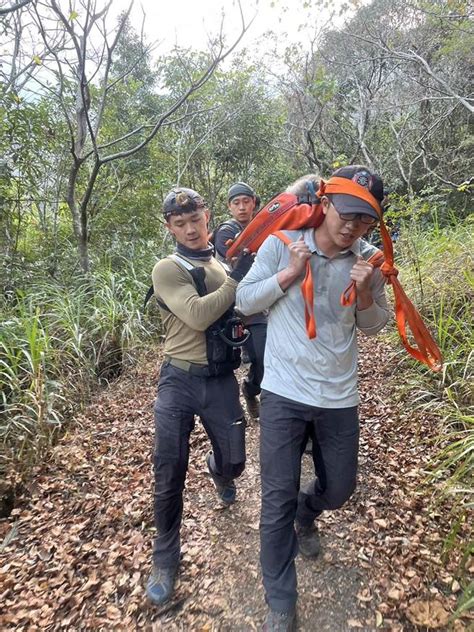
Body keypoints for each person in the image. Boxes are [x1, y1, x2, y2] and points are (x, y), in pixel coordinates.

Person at [236, 166, 391, 631]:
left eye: (364, 220)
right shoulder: (282, 243)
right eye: (346, 214)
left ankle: (310, 513)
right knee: (275, 500)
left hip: (339, 395)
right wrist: (289, 274)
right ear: (325, 204)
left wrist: (365, 293)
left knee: (339, 489)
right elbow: (244, 301)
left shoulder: (370, 261)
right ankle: (281, 602)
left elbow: (375, 324)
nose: (351, 227)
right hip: (284, 393)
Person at [146, 187, 253, 607]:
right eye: (180, 223)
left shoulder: (222, 260)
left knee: (236, 462)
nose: (190, 229)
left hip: (221, 379)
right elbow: (195, 314)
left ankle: (218, 469)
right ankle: (165, 558)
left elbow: (239, 305)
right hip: (178, 379)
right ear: (170, 226)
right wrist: (237, 279)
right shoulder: (167, 268)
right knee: (168, 468)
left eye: (196, 220)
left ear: (207, 216)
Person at [214, 182, 267, 419]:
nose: (242, 207)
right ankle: (241, 398)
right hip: (235, 307)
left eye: (246, 202)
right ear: (229, 206)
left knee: (264, 357)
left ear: (254, 203)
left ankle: (252, 388)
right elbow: (234, 254)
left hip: (263, 301)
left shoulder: (266, 226)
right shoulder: (227, 230)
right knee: (247, 357)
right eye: (236, 203)